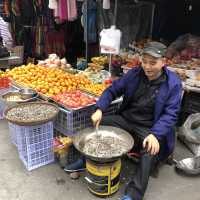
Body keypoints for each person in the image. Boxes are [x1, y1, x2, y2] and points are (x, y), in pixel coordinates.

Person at [64, 42, 182, 200]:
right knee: (99, 123)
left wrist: (156, 134)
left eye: (153, 63)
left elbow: (171, 114)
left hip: (150, 128)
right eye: (144, 61)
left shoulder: (173, 83)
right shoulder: (135, 73)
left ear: (163, 62)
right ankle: (85, 160)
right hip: (127, 119)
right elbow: (113, 90)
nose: (147, 67)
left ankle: (133, 194)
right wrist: (99, 109)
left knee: (149, 151)